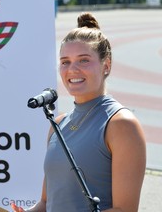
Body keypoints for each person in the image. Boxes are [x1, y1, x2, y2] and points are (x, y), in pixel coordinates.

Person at [11, 12, 146, 212]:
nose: (72, 69)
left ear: (106, 65)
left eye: (83, 60)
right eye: (65, 61)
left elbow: (124, 209)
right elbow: (46, 204)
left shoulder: (121, 124)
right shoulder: (58, 124)